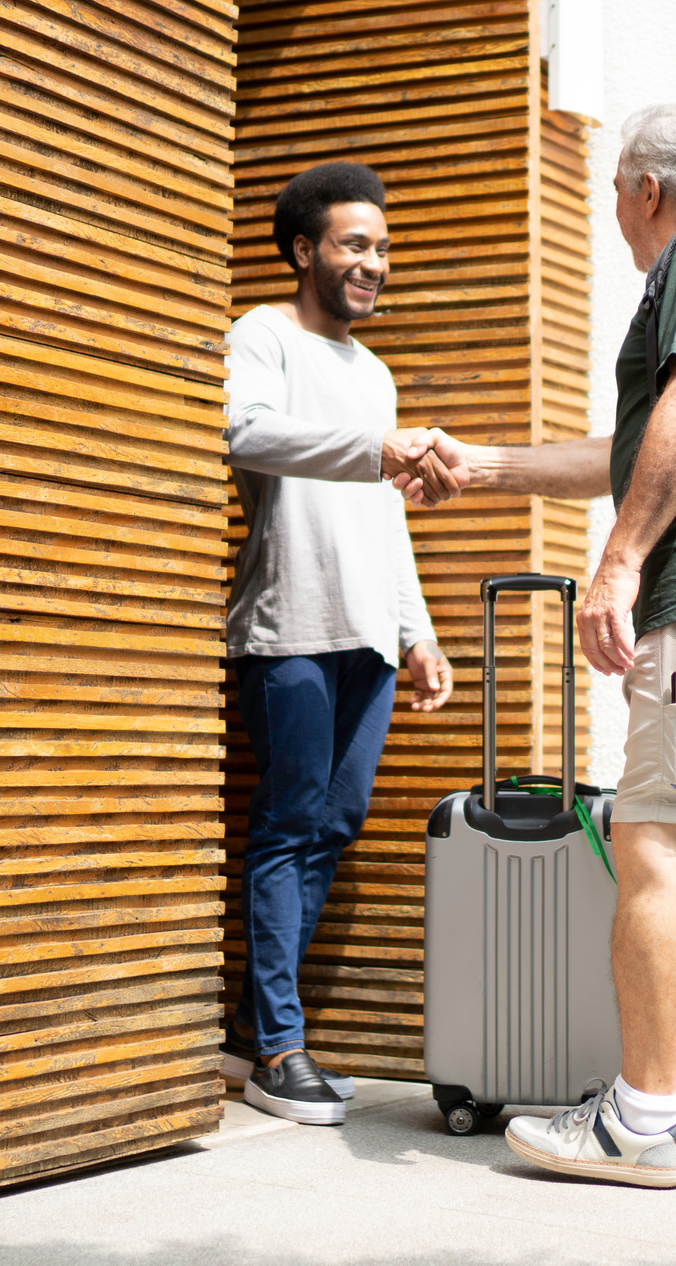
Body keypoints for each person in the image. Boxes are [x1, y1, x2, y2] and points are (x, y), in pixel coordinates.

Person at [403, 103, 676, 1195]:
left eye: (613, 188)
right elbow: (649, 442)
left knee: (653, 831)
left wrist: (619, 564)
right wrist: (489, 467)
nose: (611, 209)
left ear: (649, 188)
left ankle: (643, 1117)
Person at [220, 160, 464, 1127]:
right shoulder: (263, 335)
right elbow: (248, 435)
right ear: (303, 250)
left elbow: (386, 517)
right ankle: (279, 1051)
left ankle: (253, 1034)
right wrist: (377, 449)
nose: (374, 264)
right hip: (289, 627)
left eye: (382, 248)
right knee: (288, 826)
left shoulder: (375, 374)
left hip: (367, 633)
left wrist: (418, 632)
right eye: (355, 245)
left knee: (334, 826)